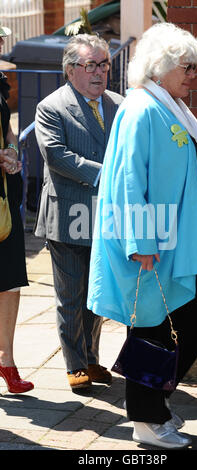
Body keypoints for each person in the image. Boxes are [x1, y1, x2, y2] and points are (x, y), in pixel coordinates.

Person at [87, 22, 197, 449]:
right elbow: (127, 180)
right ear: (161, 68)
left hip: (180, 241)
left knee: (193, 320)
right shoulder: (142, 109)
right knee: (154, 329)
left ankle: (156, 403)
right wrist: (140, 244)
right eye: (187, 67)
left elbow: (182, 153)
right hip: (155, 244)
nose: (194, 74)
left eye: (195, 66)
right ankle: (145, 418)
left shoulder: (169, 105)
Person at [34, 34, 123, 392]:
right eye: (91, 65)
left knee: (97, 292)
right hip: (68, 214)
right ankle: (74, 365)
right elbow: (56, 156)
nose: (100, 72)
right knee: (70, 295)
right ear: (71, 70)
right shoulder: (52, 107)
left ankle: (91, 358)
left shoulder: (119, 103)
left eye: (104, 64)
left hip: (105, 216)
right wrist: (108, 172)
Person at [0, 24, 34, 394]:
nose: (1, 43)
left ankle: (6, 362)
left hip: (4, 193)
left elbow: (6, 127)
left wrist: (12, 152)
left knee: (9, 281)